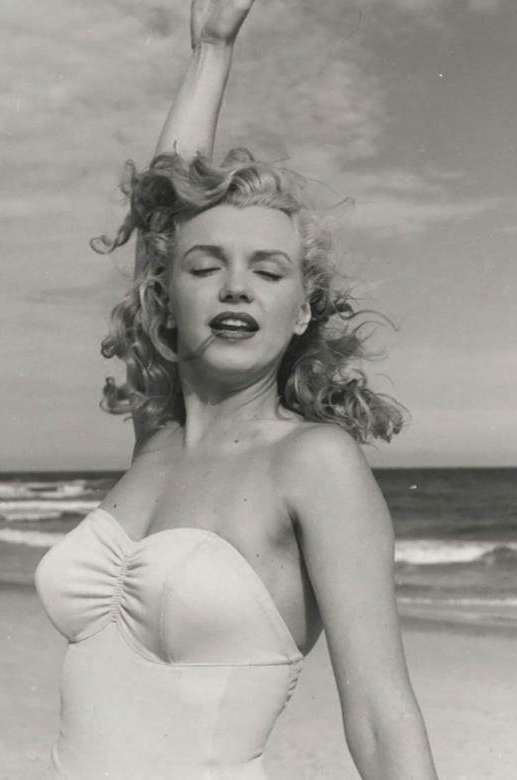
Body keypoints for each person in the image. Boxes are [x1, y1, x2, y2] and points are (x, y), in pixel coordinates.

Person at [34, 2, 438, 777]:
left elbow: (380, 715)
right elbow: (159, 214)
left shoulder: (313, 462)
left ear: (301, 310)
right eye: (207, 266)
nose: (235, 287)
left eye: (267, 270)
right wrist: (211, 50)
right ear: (165, 295)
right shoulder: (156, 436)